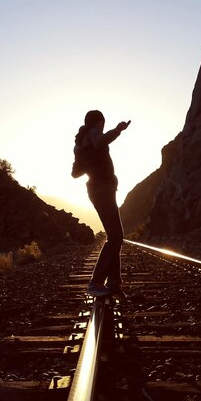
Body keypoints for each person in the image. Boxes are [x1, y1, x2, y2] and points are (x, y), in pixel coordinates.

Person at [75, 110, 130, 298]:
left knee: (115, 236)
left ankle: (114, 284)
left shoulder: (83, 140)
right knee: (116, 236)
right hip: (102, 189)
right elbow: (100, 141)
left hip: (99, 189)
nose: (103, 127)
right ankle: (96, 282)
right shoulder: (92, 133)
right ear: (98, 122)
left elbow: (77, 170)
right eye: (102, 124)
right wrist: (118, 130)